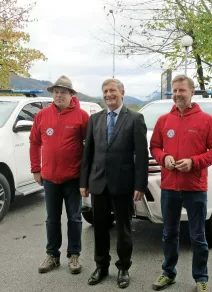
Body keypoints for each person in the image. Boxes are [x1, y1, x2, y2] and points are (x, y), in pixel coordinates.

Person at [149, 75, 212, 292]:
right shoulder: (164, 120)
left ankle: (201, 278)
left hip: (195, 188)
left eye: (182, 90)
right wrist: (164, 158)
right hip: (170, 187)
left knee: (198, 236)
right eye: (174, 91)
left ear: (192, 92)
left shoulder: (206, 120)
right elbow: (154, 147)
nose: (178, 94)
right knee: (169, 234)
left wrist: (194, 162)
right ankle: (168, 273)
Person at [80, 78, 148, 289]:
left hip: (123, 184)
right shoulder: (95, 119)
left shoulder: (135, 119)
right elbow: (88, 153)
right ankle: (101, 266)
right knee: (99, 228)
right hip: (98, 183)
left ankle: (123, 267)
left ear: (122, 93)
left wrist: (140, 185)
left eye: (112, 91)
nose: (109, 95)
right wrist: (84, 181)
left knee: (124, 229)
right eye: (105, 91)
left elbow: (142, 156)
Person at [29, 76, 90, 275]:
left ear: (71, 95)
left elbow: (89, 148)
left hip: (73, 178)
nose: (58, 95)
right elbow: (34, 143)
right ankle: (52, 255)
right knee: (52, 219)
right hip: (49, 178)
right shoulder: (42, 115)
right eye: (55, 91)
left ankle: (74, 255)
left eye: (63, 92)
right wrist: (36, 169)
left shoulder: (81, 116)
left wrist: (85, 177)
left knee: (75, 218)